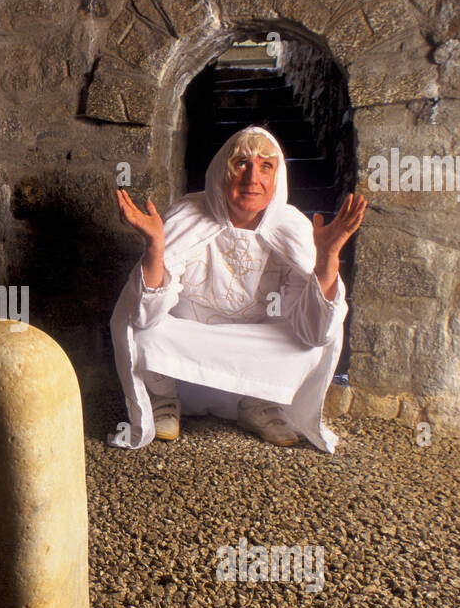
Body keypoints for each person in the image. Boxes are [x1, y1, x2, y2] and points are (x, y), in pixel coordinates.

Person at [108, 125, 366, 451]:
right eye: (241, 164)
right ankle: (162, 399)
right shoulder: (188, 214)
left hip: (255, 349)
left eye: (265, 166)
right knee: (139, 327)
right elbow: (143, 316)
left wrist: (327, 258)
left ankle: (259, 403)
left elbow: (316, 331)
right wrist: (156, 248)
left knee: (316, 343)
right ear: (221, 172)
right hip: (190, 343)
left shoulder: (293, 227)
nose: (252, 178)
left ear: (277, 178)